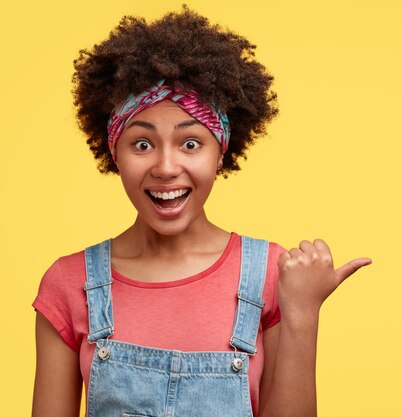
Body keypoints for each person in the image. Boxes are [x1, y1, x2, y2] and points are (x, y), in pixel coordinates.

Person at [31, 6, 371, 417]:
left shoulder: (270, 274)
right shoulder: (69, 284)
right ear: (113, 152)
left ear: (220, 152)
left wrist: (303, 313)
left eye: (191, 143)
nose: (166, 167)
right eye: (142, 144)